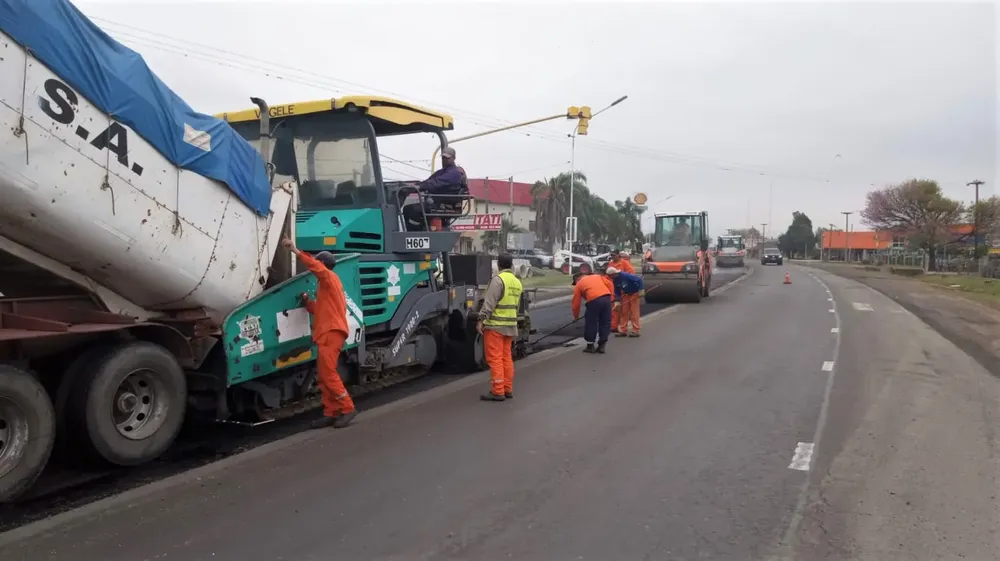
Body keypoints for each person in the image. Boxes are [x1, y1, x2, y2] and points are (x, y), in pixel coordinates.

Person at [281, 237, 358, 429]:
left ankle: (347, 408)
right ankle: (331, 412)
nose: (316, 267)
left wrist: (295, 251)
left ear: (323, 264)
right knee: (324, 376)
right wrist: (307, 303)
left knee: (328, 374)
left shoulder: (329, 277)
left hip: (331, 333)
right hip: (328, 333)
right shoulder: (328, 286)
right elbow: (321, 309)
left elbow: (318, 268)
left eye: (318, 262)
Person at [477, 253, 523, 401]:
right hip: (510, 325)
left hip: (495, 326)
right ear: (511, 265)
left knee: (495, 359)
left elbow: (489, 303)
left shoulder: (498, 280)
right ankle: (507, 389)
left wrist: (481, 320)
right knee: (506, 358)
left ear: (498, 265)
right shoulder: (517, 282)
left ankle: (498, 391)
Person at [402, 146, 468, 230]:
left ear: (454, 158)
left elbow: (435, 183)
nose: (444, 160)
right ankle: (420, 230)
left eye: (447, 158)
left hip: (444, 204)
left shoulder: (454, 173)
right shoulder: (442, 172)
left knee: (410, 209)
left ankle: (415, 234)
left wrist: (419, 187)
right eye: (443, 158)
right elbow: (429, 181)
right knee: (409, 209)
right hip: (437, 202)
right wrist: (414, 186)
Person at [571, 270, 613, 354]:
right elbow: (610, 284)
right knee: (605, 322)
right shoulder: (597, 276)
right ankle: (602, 346)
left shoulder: (579, 284)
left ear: (576, 279)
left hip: (594, 300)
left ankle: (590, 346)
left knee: (591, 322)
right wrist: (612, 298)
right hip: (607, 298)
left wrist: (576, 317)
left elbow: (576, 303)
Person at [607, 266, 644, 337]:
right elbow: (617, 291)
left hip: (634, 293)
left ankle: (635, 330)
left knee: (634, 312)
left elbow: (639, 280)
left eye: (610, 276)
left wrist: (641, 290)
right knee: (623, 312)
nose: (610, 277)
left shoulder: (625, 276)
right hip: (625, 294)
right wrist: (617, 301)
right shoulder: (615, 280)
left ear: (613, 274)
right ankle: (623, 330)